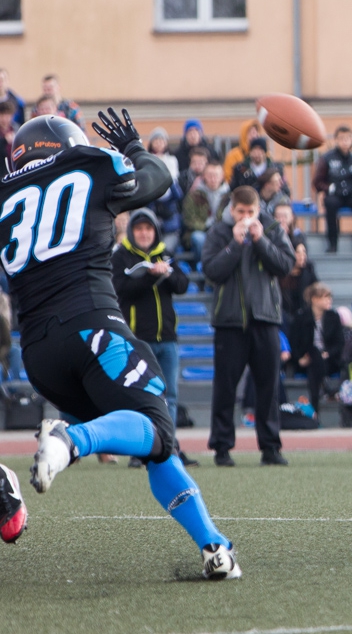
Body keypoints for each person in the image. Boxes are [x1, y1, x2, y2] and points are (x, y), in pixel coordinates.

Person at [10, 110, 240, 579]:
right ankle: (70, 440)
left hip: (37, 352)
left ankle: (214, 548)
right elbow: (156, 179)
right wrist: (135, 147)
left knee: (156, 446)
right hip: (92, 328)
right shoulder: (89, 166)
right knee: (156, 423)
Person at [203, 185, 296, 468]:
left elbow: (286, 265)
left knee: (268, 387)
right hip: (230, 322)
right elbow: (212, 271)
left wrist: (260, 241)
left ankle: (270, 447)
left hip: (265, 318)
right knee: (225, 388)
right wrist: (234, 244)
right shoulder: (219, 232)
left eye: (250, 212)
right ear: (232, 210)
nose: (245, 217)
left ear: (259, 211)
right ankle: (221, 447)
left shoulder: (271, 229)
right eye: (240, 212)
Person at [111, 207, 195, 467]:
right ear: (132, 231)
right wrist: (149, 275)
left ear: (155, 232)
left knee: (168, 397)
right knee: (139, 397)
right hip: (138, 339)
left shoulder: (165, 254)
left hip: (167, 338)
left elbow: (182, 284)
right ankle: (140, 451)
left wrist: (166, 273)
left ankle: (167, 448)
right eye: (139, 229)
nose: (145, 233)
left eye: (149, 229)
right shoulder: (121, 257)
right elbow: (121, 290)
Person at [288, 283, 344, 421]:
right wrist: (299, 359)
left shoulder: (333, 317)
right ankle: (325, 388)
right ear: (314, 299)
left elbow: (339, 343)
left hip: (329, 360)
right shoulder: (301, 317)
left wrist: (327, 354)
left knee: (317, 357)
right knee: (314, 353)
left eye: (329, 298)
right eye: (325, 297)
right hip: (308, 360)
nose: (329, 301)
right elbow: (294, 343)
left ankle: (315, 406)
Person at [312, 126, 352, 253]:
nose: (345, 141)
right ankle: (332, 243)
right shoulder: (327, 158)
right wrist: (329, 188)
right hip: (334, 193)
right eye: (341, 138)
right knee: (330, 204)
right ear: (335, 140)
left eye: (348, 138)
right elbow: (317, 181)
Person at [183, 162, 230, 257]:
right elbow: (189, 220)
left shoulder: (229, 197)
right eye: (210, 175)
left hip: (221, 232)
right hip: (200, 231)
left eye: (216, 175)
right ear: (204, 176)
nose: (213, 179)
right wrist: (206, 226)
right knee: (198, 238)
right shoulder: (193, 196)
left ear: (222, 176)